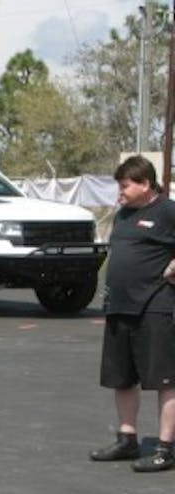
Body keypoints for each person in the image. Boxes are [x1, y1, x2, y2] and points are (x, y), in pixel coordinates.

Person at [90, 154, 175, 472]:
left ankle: (166, 449)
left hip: (155, 305)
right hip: (119, 306)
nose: (119, 193)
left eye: (125, 186)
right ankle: (128, 439)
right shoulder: (123, 215)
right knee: (122, 378)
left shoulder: (167, 211)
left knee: (166, 380)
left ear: (145, 184)